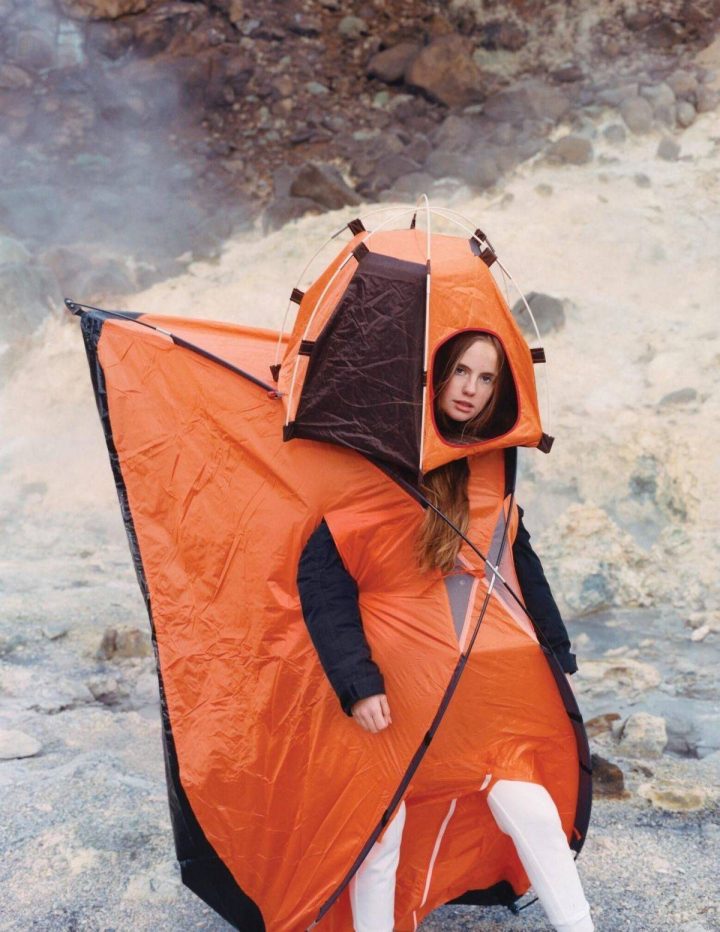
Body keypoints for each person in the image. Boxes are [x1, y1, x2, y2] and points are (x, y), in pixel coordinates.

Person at [297, 331, 593, 932]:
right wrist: (357, 683)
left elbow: (521, 564)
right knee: (381, 827)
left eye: (486, 379)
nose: (470, 390)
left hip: (480, 689)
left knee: (530, 804)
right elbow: (322, 579)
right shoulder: (383, 463)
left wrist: (556, 652)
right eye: (461, 372)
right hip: (394, 691)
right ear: (435, 376)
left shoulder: (492, 469)